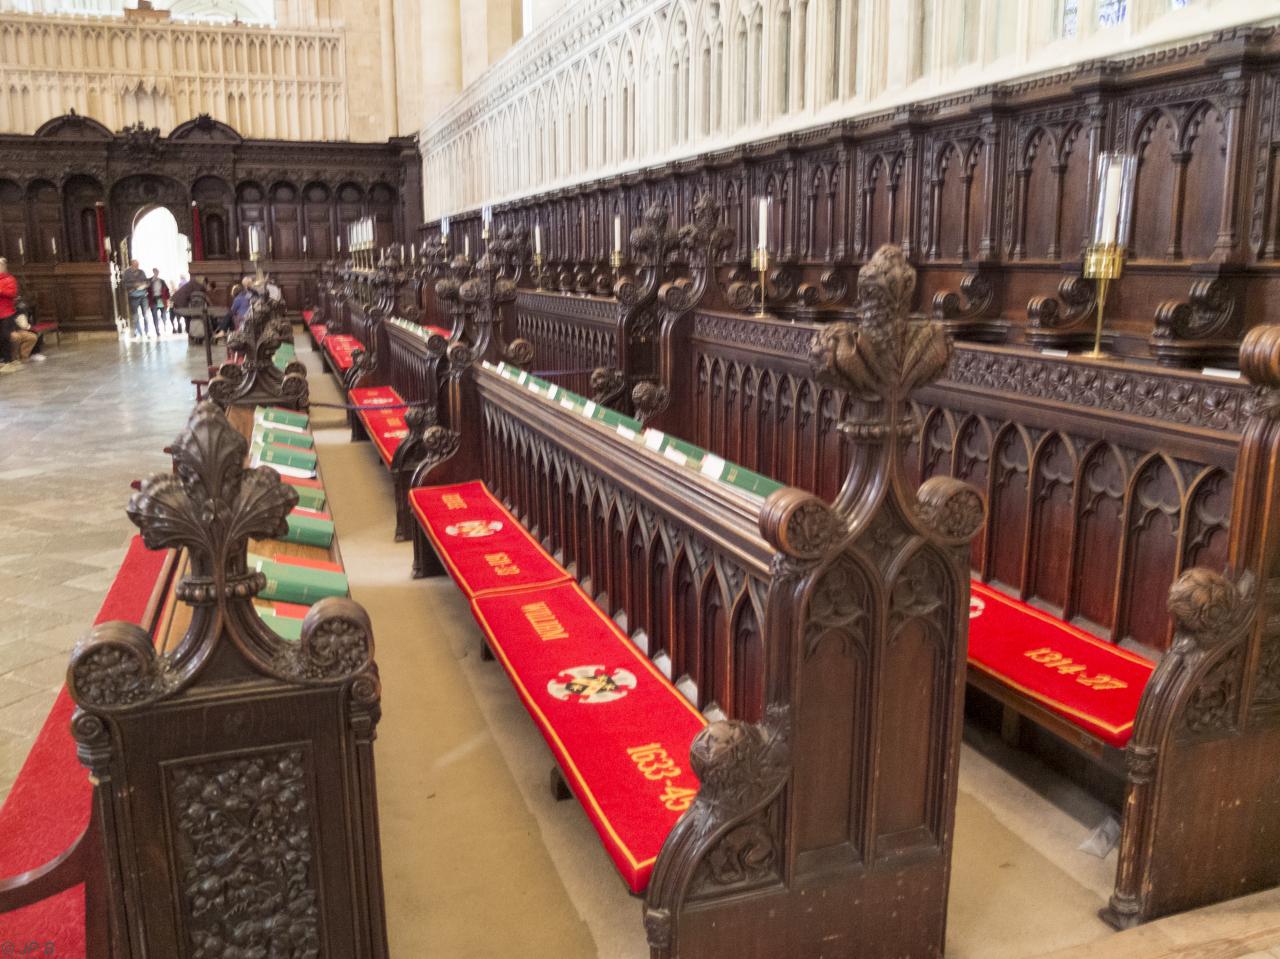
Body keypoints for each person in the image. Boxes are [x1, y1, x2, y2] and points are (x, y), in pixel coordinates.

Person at [0, 258, 39, 373]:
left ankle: (8, 361)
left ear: (4, 267)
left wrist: (0, 290)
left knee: (6, 336)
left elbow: (12, 293)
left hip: (6, 312)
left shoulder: (9, 279)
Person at [121, 259, 153, 339]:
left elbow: (146, 281)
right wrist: (134, 285)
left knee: (146, 315)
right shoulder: (127, 273)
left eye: (137, 265)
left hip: (143, 295)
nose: (137, 266)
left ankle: (147, 332)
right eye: (135, 265)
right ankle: (138, 332)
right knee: (135, 316)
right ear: (131, 264)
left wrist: (145, 284)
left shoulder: (141, 272)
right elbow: (124, 284)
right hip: (133, 296)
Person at [147, 268, 172, 335]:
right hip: (153, 300)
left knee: (163, 315)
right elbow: (146, 289)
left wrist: (167, 299)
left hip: (161, 299)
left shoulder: (162, 281)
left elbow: (167, 290)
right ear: (153, 272)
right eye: (155, 272)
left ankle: (164, 326)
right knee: (154, 315)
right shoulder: (149, 281)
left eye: (157, 272)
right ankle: (157, 330)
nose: (156, 273)